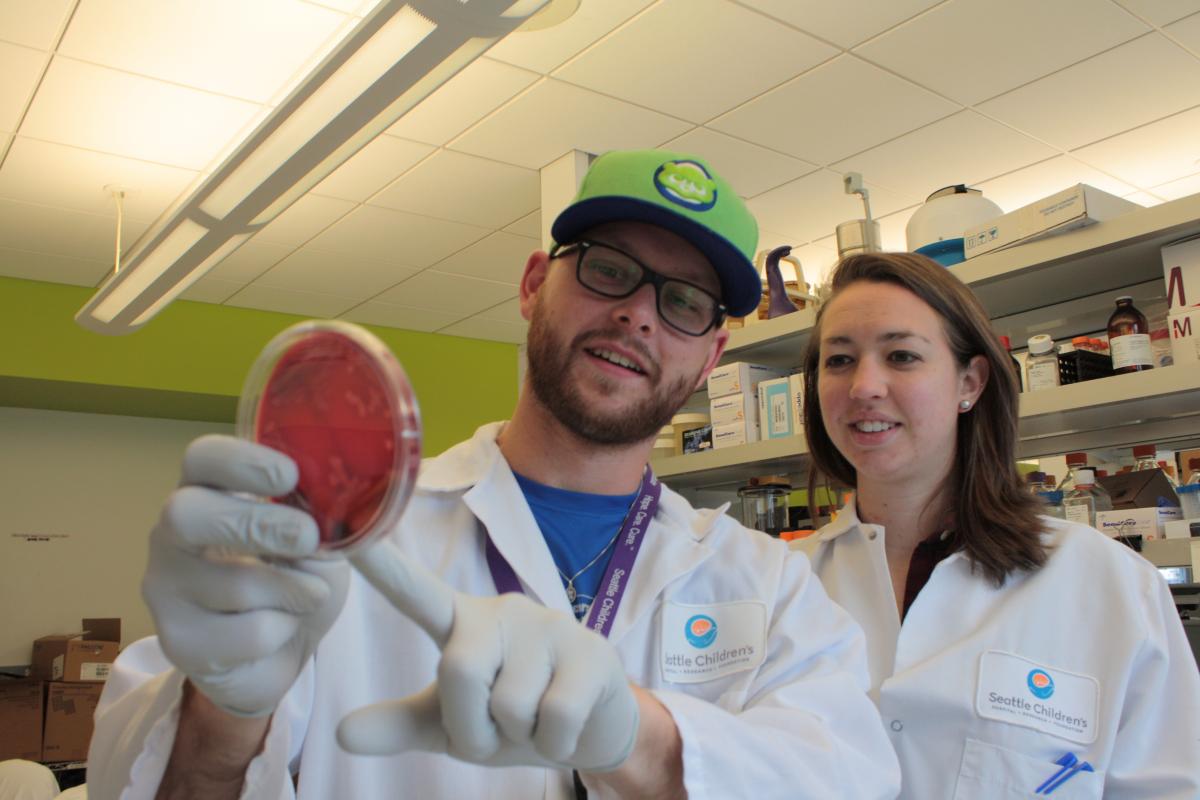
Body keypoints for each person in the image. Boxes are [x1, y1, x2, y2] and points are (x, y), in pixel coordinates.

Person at [88, 150, 901, 800]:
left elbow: (848, 778)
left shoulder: (772, 588)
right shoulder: (347, 537)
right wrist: (222, 712)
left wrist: (643, 741)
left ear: (711, 355)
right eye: (609, 269)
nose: (639, 313)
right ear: (531, 286)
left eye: (686, 301)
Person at [792, 251, 1200, 798]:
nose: (864, 385)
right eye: (838, 360)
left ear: (971, 382)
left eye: (902, 355)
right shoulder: (780, 587)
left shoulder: (1109, 584)